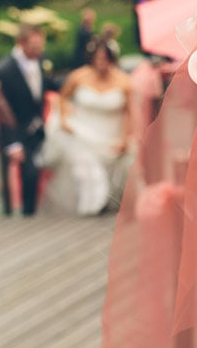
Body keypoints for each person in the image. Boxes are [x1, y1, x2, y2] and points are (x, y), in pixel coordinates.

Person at [36, 36, 132, 217]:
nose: (101, 63)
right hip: (83, 131)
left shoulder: (123, 81)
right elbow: (62, 98)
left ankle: (105, 203)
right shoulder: (78, 76)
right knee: (87, 166)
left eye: (105, 59)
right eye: (98, 59)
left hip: (110, 134)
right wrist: (64, 120)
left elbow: (128, 113)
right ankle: (92, 204)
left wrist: (125, 138)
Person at [0, 24, 59, 217]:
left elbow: (49, 85)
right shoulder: (5, 71)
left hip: (40, 128)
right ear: (21, 43)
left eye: (41, 45)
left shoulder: (41, 62)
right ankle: (27, 217)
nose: (39, 50)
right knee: (29, 174)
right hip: (19, 132)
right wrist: (13, 144)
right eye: (34, 45)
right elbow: (2, 112)